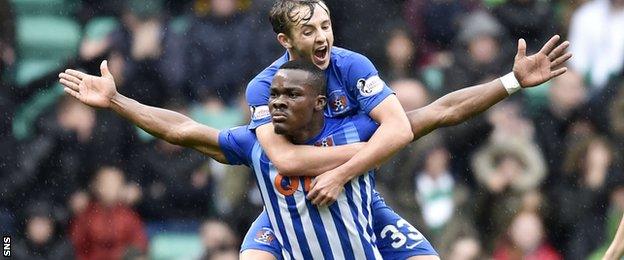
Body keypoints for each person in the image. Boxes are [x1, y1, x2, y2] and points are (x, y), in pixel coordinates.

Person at [243, 0, 570, 259]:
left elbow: (416, 122)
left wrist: (513, 81)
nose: (322, 38)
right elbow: (284, 159)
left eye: (326, 27)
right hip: (285, 207)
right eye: (309, 31)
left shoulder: (351, 66)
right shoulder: (264, 86)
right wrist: (360, 154)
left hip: (360, 202)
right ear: (285, 40)